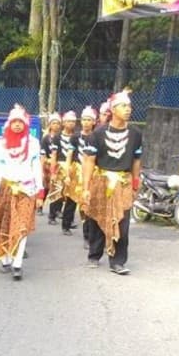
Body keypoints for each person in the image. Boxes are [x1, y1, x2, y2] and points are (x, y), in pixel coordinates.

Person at [82, 90, 142, 275]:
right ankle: (94, 254)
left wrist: (135, 183)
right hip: (101, 182)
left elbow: (136, 161)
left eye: (129, 106)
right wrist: (85, 187)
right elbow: (89, 161)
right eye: (123, 106)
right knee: (97, 220)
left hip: (123, 183)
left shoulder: (135, 134)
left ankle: (118, 261)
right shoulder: (97, 134)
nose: (128, 109)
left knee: (122, 223)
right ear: (113, 110)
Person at [0, 104, 44, 280]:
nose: (17, 125)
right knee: (5, 223)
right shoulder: (2, 146)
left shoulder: (33, 144)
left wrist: (40, 192)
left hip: (27, 190)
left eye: (21, 121)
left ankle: (17, 263)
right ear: (9, 124)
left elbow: (36, 167)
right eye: (14, 122)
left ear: (26, 124)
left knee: (22, 226)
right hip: (6, 188)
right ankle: (5, 258)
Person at [70, 106, 97, 249]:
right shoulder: (76, 137)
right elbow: (70, 154)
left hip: (96, 175)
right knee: (83, 205)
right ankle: (87, 235)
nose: (86, 122)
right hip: (80, 173)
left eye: (89, 120)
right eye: (84, 119)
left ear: (94, 121)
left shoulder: (97, 136)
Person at [50, 110, 78, 235]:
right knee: (57, 192)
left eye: (73, 121)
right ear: (64, 123)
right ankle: (52, 215)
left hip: (73, 169)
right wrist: (53, 171)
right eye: (68, 121)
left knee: (72, 195)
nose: (71, 123)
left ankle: (69, 220)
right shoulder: (57, 137)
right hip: (60, 166)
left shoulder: (77, 137)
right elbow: (54, 155)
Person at [40, 113, 61, 216]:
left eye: (58, 123)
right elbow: (43, 154)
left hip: (58, 165)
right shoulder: (46, 138)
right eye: (54, 123)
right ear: (50, 124)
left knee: (57, 187)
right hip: (48, 164)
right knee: (46, 186)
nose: (56, 125)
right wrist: (42, 167)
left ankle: (57, 209)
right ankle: (40, 205)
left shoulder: (61, 137)